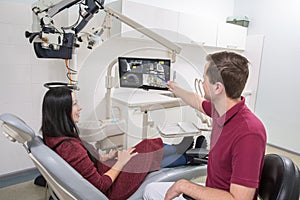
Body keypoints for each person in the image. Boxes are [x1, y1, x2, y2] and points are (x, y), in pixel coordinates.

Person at [143, 51, 267, 200]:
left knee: (151, 193)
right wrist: (176, 88)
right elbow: (197, 101)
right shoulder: (221, 110)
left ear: (218, 88)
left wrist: (184, 185)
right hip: (213, 189)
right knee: (150, 189)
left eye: (204, 79)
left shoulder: (249, 133)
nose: (202, 83)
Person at [41, 86, 194, 200]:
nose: (80, 107)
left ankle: (185, 155)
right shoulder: (69, 147)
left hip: (103, 170)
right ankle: (183, 153)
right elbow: (101, 185)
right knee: (146, 148)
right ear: (61, 110)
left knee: (143, 154)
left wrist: (106, 157)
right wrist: (120, 163)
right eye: (74, 104)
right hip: (111, 190)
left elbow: (83, 166)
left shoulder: (54, 136)